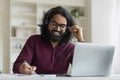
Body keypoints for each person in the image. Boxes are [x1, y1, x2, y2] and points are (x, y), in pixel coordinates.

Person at [13, 6, 85, 75]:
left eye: (62, 26)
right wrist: (21, 68)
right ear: (47, 23)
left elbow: (83, 68)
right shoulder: (34, 40)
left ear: (67, 29)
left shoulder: (70, 48)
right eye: (54, 24)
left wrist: (80, 39)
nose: (57, 29)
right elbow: (16, 66)